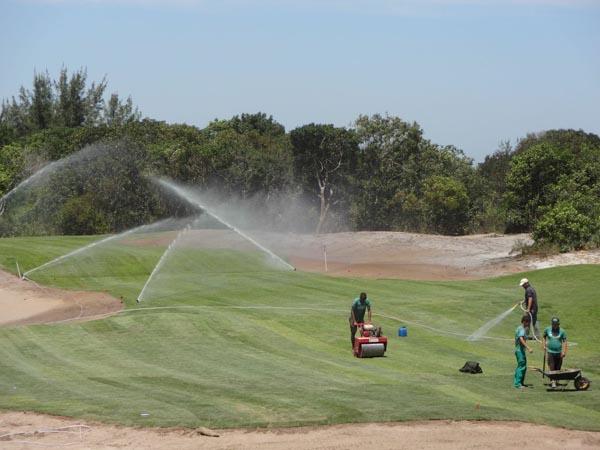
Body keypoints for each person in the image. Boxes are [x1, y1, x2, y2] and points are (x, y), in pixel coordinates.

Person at [543, 317, 568, 388]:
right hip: (550, 352)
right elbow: (544, 336)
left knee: (558, 367)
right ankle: (553, 381)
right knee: (552, 367)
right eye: (553, 324)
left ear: (558, 324)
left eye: (556, 324)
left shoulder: (562, 331)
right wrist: (544, 345)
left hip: (559, 352)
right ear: (552, 324)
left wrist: (564, 352)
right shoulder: (547, 329)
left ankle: (556, 380)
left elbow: (565, 341)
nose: (555, 325)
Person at [514, 314, 533, 389]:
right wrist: (528, 348)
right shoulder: (521, 329)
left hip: (519, 350)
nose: (529, 324)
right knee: (522, 366)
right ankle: (518, 384)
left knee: (522, 366)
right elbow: (521, 339)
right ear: (524, 322)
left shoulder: (520, 328)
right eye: (528, 322)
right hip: (520, 351)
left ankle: (519, 382)